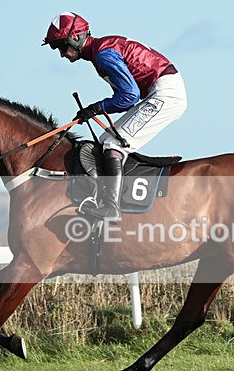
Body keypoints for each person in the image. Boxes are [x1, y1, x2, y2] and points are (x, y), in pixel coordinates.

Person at [42, 12, 187, 222]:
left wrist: (96, 107)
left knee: (113, 144)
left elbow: (129, 96)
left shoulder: (103, 54)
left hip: (166, 93)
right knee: (104, 140)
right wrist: (96, 109)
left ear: (75, 37)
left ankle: (111, 207)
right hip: (161, 90)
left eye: (61, 46)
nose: (62, 54)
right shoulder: (101, 50)